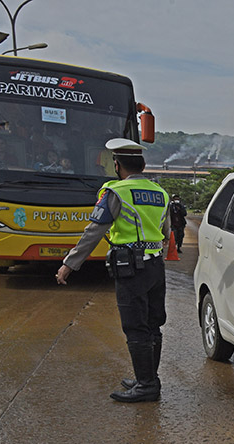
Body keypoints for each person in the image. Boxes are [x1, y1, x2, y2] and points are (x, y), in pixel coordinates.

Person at [56, 138, 171, 403]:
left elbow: (94, 231)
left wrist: (69, 264)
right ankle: (149, 378)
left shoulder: (116, 192)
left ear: (117, 164)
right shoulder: (160, 193)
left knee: (135, 326)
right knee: (154, 324)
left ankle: (146, 385)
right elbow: (165, 233)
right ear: (142, 165)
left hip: (131, 267)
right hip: (155, 266)